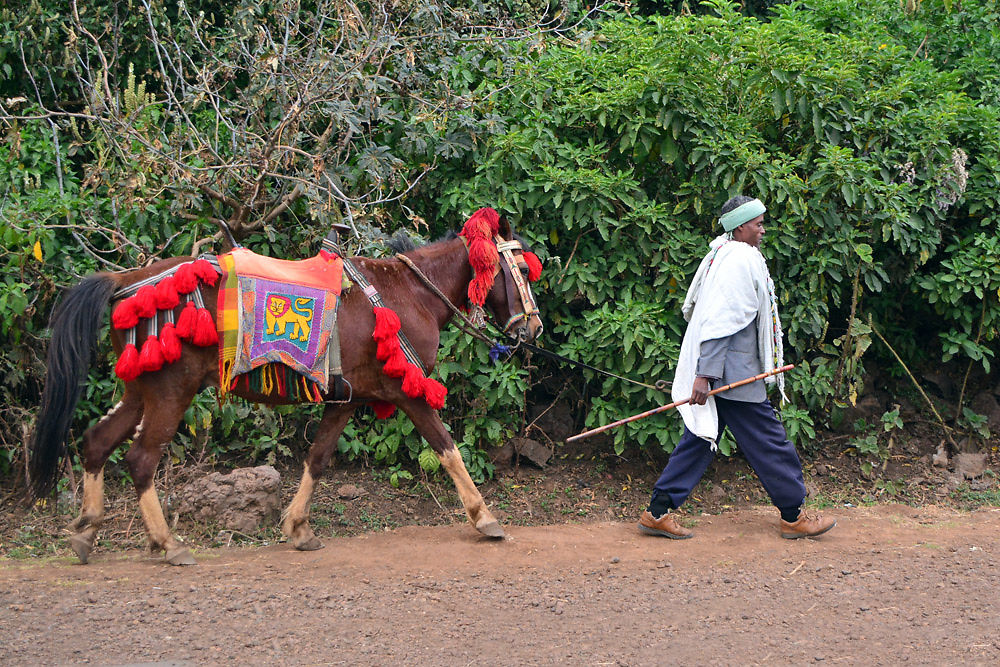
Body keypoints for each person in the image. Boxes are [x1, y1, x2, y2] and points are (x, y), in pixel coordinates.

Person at [639, 195, 836, 540]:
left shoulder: (727, 254)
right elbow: (721, 322)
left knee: (700, 440)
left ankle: (657, 512)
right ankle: (793, 515)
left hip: (728, 370)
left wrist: (706, 374)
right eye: (758, 224)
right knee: (769, 442)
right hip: (733, 374)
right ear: (741, 227)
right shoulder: (737, 260)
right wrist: (705, 375)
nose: (763, 230)